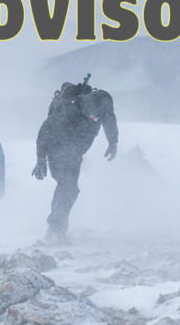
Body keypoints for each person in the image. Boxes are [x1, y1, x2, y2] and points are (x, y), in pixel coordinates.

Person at [32, 79, 119, 245]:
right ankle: (56, 230)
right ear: (88, 108)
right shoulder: (68, 109)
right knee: (68, 188)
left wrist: (113, 142)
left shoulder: (102, 108)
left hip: (75, 154)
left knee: (68, 189)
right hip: (56, 149)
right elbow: (44, 132)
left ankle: (55, 228)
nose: (96, 120)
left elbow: (109, 120)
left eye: (98, 117)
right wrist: (41, 159)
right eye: (94, 116)